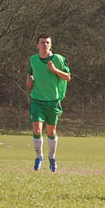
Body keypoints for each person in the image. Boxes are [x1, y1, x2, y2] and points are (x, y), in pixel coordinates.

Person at [26, 34, 71, 172]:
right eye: (42, 42)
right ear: (37, 45)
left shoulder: (58, 59)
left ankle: (51, 157)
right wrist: (29, 81)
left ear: (51, 45)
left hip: (53, 101)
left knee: (51, 131)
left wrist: (54, 70)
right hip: (37, 100)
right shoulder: (33, 60)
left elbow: (68, 77)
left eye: (47, 42)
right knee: (37, 130)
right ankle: (39, 157)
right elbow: (30, 73)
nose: (45, 45)